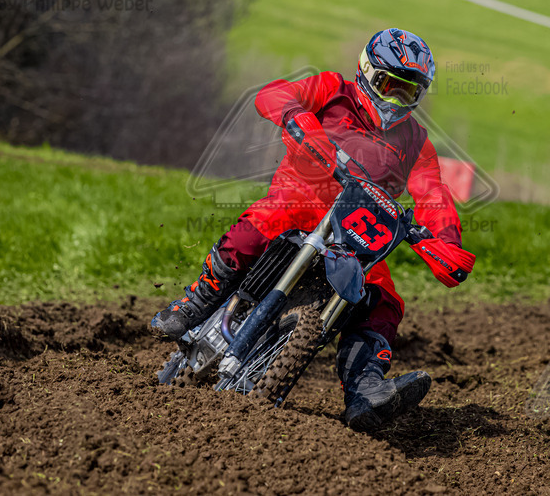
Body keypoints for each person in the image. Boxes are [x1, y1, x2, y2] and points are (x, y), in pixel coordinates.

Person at [151, 28, 475, 430]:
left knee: (384, 299)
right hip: (300, 200)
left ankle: (365, 390)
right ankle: (198, 301)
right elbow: (273, 93)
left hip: (355, 235)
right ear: (368, 73)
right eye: (390, 86)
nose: (396, 100)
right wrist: (297, 116)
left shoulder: (415, 140)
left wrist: (445, 242)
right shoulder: (331, 90)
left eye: (408, 93)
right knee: (269, 218)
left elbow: (433, 193)